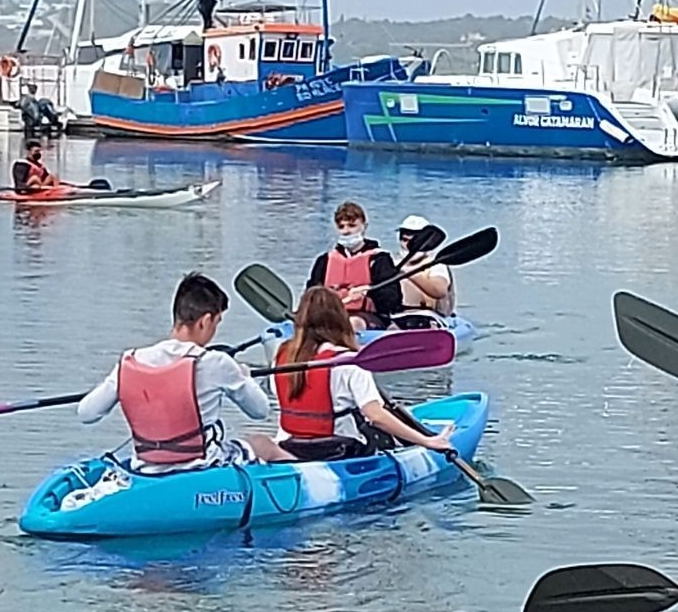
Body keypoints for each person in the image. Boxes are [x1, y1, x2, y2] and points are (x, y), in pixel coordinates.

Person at [77, 273, 292, 471]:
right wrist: (244, 377)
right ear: (205, 321)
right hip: (203, 465)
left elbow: (86, 413)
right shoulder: (217, 362)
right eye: (216, 323)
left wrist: (118, 386)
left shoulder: (130, 361)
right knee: (262, 444)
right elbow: (260, 411)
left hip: (146, 465)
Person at [259, 287, 454, 462]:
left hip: (290, 445)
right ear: (340, 320)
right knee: (380, 432)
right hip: (340, 451)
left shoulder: (281, 356)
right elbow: (376, 416)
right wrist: (427, 442)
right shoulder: (350, 361)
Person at [306, 201, 402, 332]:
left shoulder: (379, 259)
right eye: (341, 227)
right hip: (332, 316)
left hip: (369, 317)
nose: (346, 231)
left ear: (364, 226)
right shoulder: (324, 261)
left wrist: (369, 290)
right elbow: (310, 295)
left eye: (352, 225)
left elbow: (393, 302)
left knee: (351, 323)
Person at [395, 214, 456, 318]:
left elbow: (439, 291)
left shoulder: (436, 265)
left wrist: (409, 273)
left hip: (431, 317)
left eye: (412, 242)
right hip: (397, 316)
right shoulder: (393, 263)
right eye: (404, 240)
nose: (407, 246)